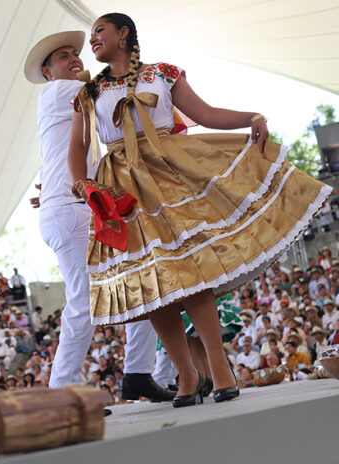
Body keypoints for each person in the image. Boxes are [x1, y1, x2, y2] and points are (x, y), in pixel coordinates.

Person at [67, 13, 331, 406]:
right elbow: (78, 147)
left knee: (190, 273)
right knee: (156, 285)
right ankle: (186, 375)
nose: (93, 40)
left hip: (172, 173)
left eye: (99, 31)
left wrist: (251, 117)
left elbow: (205, 114)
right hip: (122, 187)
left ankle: (221, 371)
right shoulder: (88, 92)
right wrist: (82, 184)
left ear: (124, 34)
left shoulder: (164, 73)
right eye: (91, 36)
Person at [24, 30, 172, 402]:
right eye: (63, 57)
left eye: (76, 52)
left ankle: (138, 373)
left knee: (141, 280)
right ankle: (62, 391)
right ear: (47, 72)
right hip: (74, 210)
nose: (75, 58)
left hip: (84, 205)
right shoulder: (59, 93)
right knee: (83, 300)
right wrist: (147, 72)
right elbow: (115, 94)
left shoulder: (74, 96)